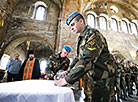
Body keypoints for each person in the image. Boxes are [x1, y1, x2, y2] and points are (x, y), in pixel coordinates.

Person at [54, 12, 117, 102]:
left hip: (102, 79)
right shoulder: (82, 38)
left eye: (73, 24)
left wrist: (67, 80)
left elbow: (87, 59)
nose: (71, 28)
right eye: (70, 26)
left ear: (81, 21)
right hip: (91, 79)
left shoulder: (93, 35)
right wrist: (68, 71)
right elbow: (78, 58)